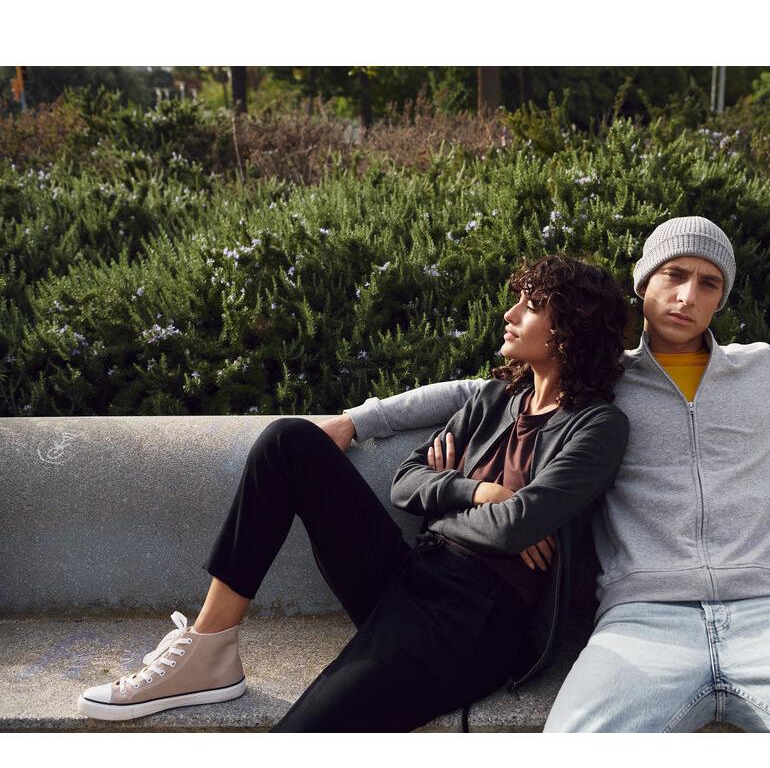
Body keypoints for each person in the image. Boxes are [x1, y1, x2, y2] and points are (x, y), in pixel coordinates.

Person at [325, 216, 770, 732]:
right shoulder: (601, 380)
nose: (687, 295)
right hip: (640, 624)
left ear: (721, 299)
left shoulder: (767, 372)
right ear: (643, 285)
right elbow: (480, 390)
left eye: (709, 284)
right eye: (673, 275)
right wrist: (361, 419)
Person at [77, 254, 630, 731]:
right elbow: (406, 483)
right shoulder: (494, 399)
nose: (509, 314)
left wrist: (467, 506)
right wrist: (478, 491)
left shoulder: (597, 428)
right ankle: (209, 646)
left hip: (472, 621)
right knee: (288, 441)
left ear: (569, 329)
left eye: (530, 306)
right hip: (412, 572)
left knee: (305, 735)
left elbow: (514, 527)